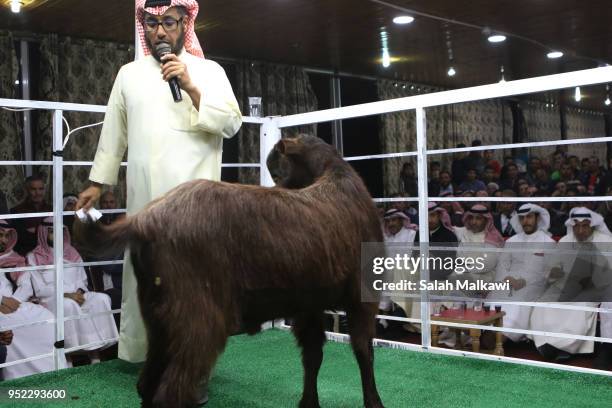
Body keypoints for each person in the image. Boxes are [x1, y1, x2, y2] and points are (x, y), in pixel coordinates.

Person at [76, 0, 242, 369]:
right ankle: (144, 356)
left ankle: (193, 362)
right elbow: (113, 132)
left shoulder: (208, 71)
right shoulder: (128, 74)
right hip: (143, 201)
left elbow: (232, 124)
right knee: (143, 275)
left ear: (185, 23)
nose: (159, 31)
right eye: (150, 24)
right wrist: (97, 183)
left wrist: (190, 85)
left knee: (191, 281)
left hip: (193, 205)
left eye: (167, 22)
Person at [24, 218, 118, 365]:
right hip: (51, 299)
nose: (56, 235)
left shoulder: (72, 253)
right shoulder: (33, 257)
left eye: (59, 231)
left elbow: (82, 280)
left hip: (77, 294)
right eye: (51, 232)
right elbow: (39, 289)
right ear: (43, 233)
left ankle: (95, 353)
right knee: (68, 305)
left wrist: (79, 292)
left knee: (101, 299)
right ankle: (69, 356)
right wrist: (67, 295)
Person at [529, 207, 607, 362]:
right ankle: (546, 344)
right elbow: (552, 266)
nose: (580, 230)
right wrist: (553, 272)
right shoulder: (566, 240)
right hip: (563, 285)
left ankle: (565, 347)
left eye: (584, 226)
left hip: (592, 288)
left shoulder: (605, 241)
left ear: (592, 225)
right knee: (542, 304)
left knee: (578, 308)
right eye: (576, 226)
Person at [0, 220, 62, 379]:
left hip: (15, 303)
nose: (4, 240)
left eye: (7, 236)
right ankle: (14, 377)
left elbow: (26, 286)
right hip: (2, 306)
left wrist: (12, 302)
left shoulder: (15, 259)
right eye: (0, 235)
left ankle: (48, 372)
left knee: (46, 318)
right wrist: (1, 300)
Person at [491, 204, 554, 343]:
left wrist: (524, 281)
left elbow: (549, 271)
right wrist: (506, 278)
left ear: (537, 218)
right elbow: (502, 266)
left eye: (529, 217)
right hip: (508, 282)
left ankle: (501, 339)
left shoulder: (548, 242)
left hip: (535, 285)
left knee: (519, 301)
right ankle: (487, 334)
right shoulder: (511, 241)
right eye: (522, 218)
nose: (526, 221)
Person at [10, 175, 52, 256]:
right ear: (26, 190)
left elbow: (57, 236)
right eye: (33, 189)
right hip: (26, 255)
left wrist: (35, 231)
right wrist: (43, 232)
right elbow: (18, 239)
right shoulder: (16, 211)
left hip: (50, 255)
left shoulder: (52, 210)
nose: (38, 193)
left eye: (41, 189)